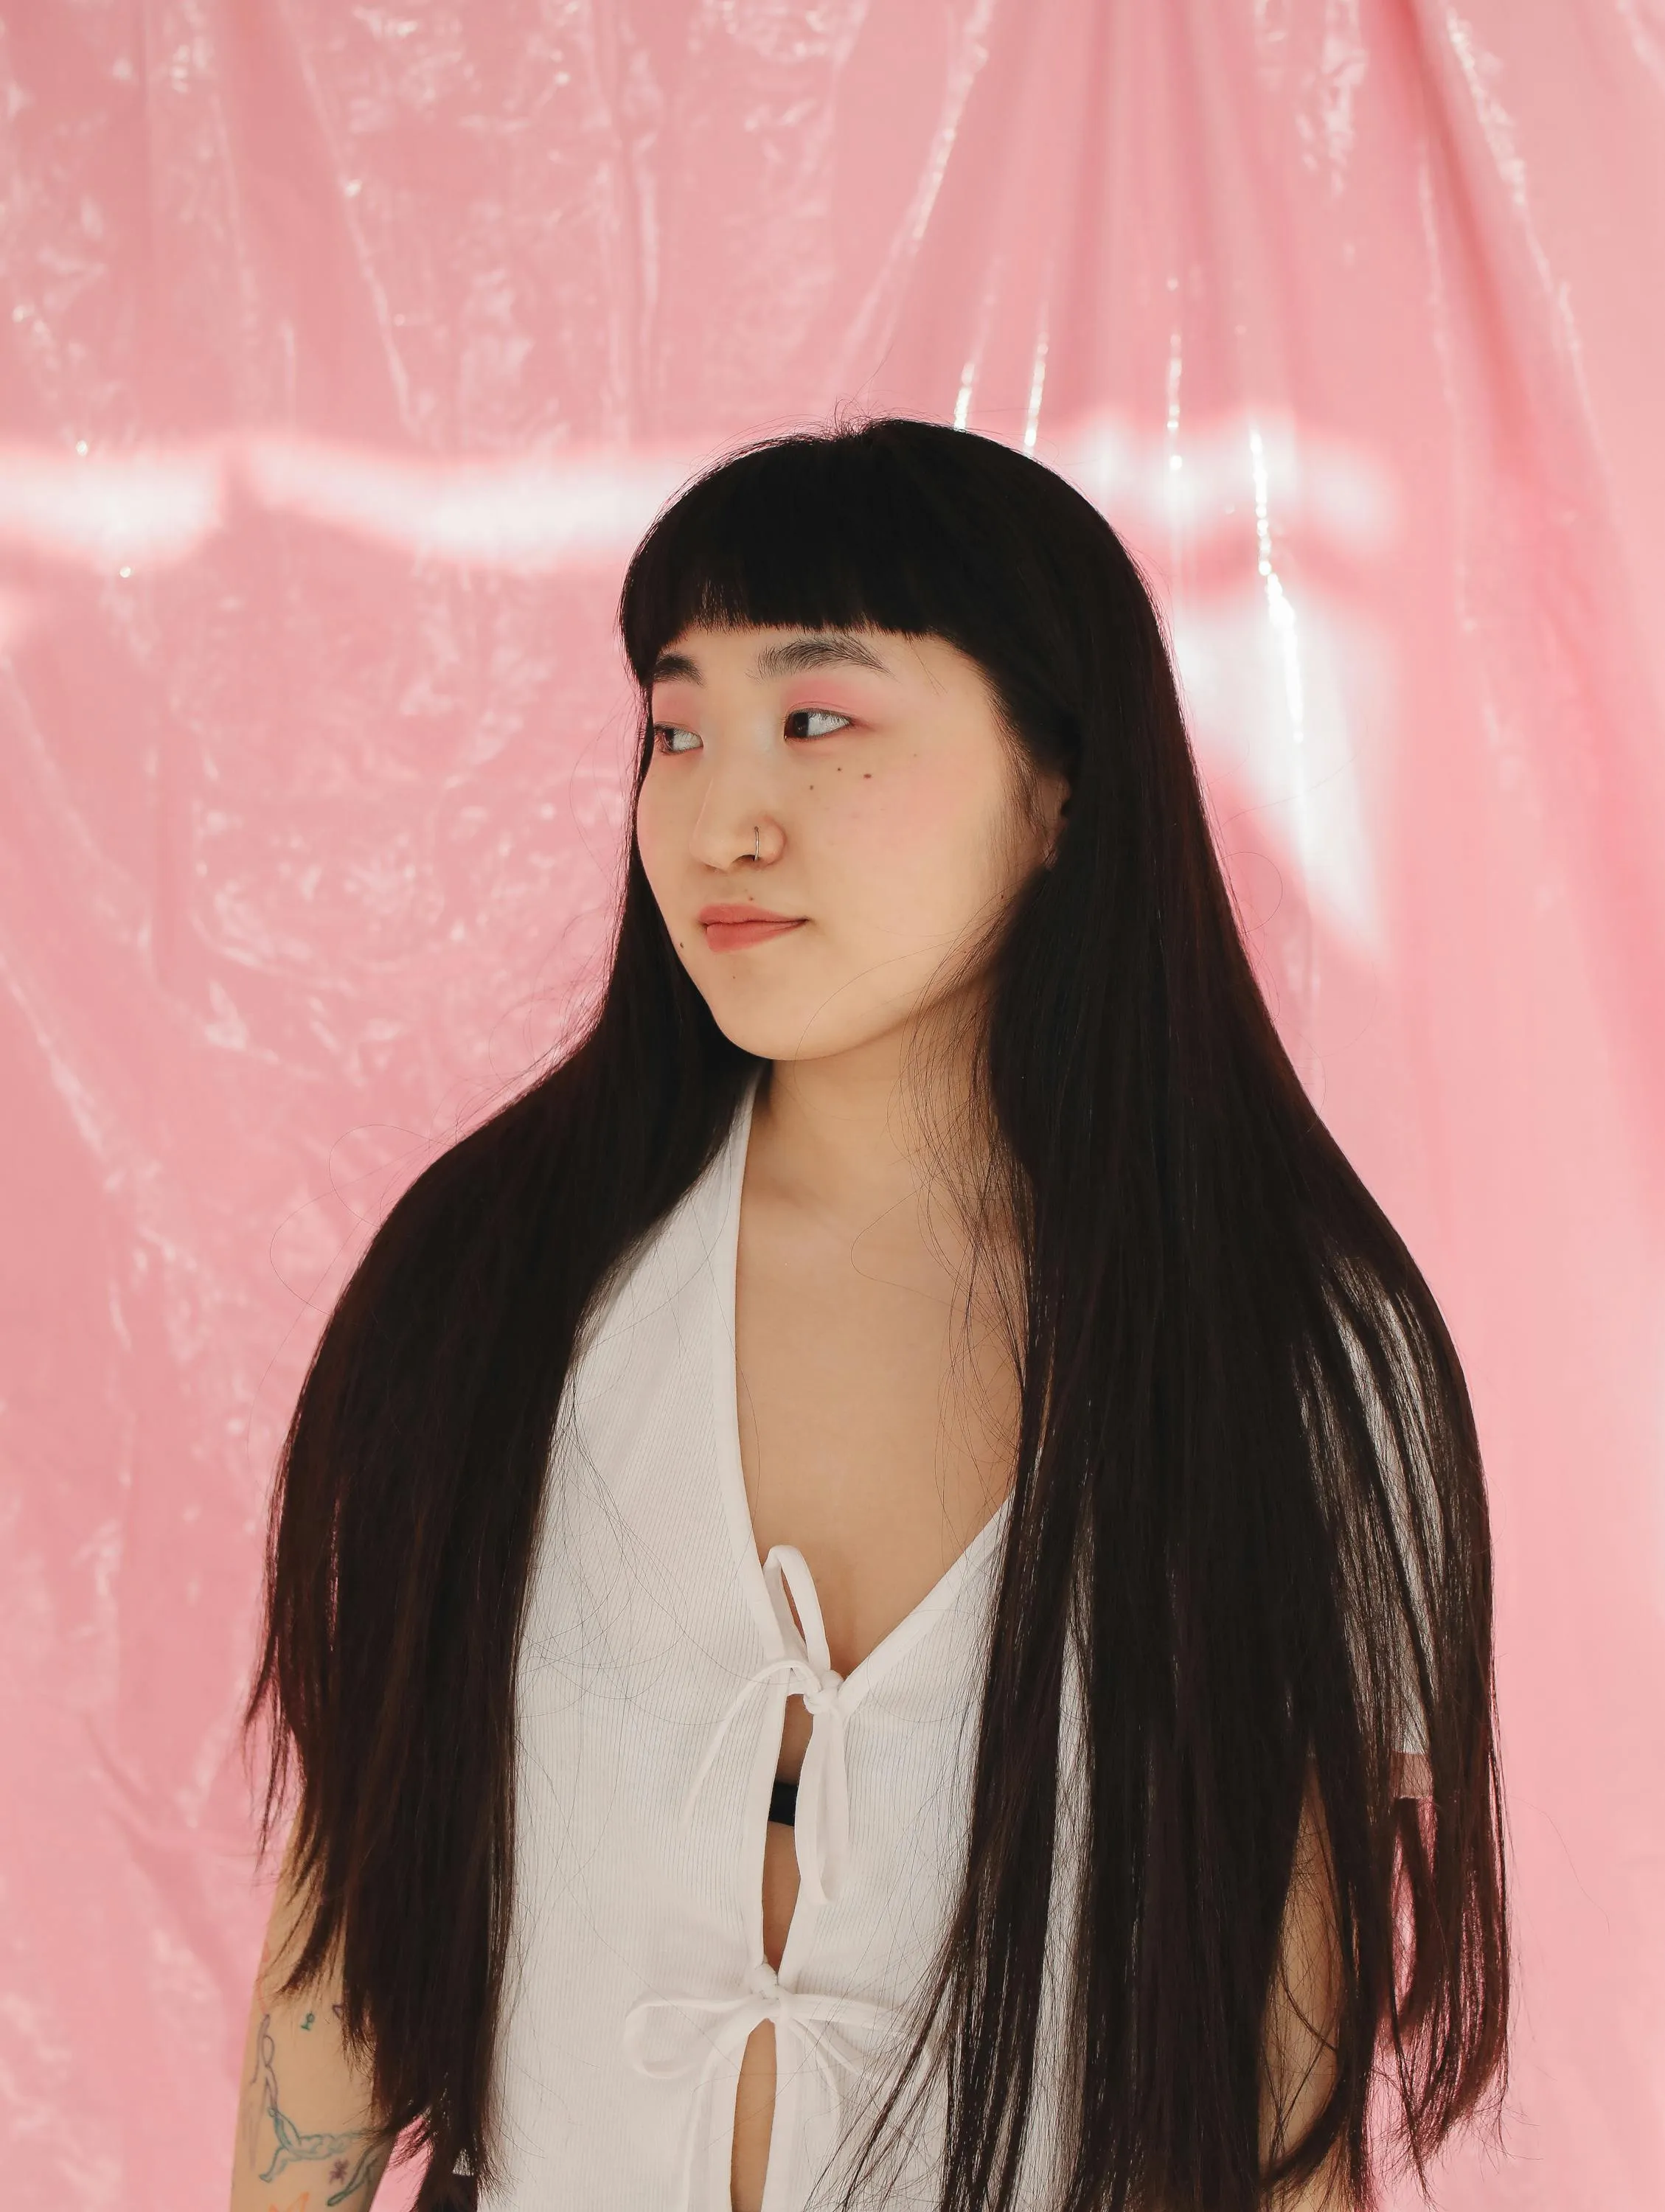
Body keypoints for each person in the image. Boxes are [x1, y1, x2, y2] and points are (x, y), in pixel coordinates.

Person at [229, 419, 1508, 2212]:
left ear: (1059, 787)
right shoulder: (497, 1275)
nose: (722, 816)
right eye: (678, 733)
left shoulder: (1289, 1348)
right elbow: (352, 1930)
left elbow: (1277, 2076)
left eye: (818, 721)